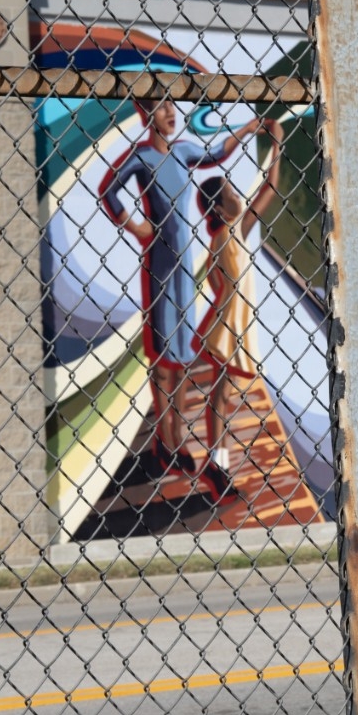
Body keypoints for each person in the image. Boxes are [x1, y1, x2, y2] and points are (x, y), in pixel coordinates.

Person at [98, 98, 268, 475]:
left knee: (179, 357)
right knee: (162, 358)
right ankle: (167, 440)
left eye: (173, 108)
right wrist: (135, 225)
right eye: (161, 109)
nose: (171, 114)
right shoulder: (141, 158)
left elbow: (214, 154)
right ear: (146, 116)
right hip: (159, 266)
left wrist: (244, 130)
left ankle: (174, 439)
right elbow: (108, 189)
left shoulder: (183, 152)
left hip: (182, 270)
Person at [194, 118, 284, 501]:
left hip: (234, 322)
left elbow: (271, 188)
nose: (237, 194)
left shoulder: (232, 232)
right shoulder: (225, 235)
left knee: (224, 394)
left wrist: (275, 148)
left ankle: (218, 464)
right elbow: (268, 190)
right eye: (230, 191)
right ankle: (217, 465)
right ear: (219, 204)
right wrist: (274, 146)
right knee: (223, 395)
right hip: (229, 325)